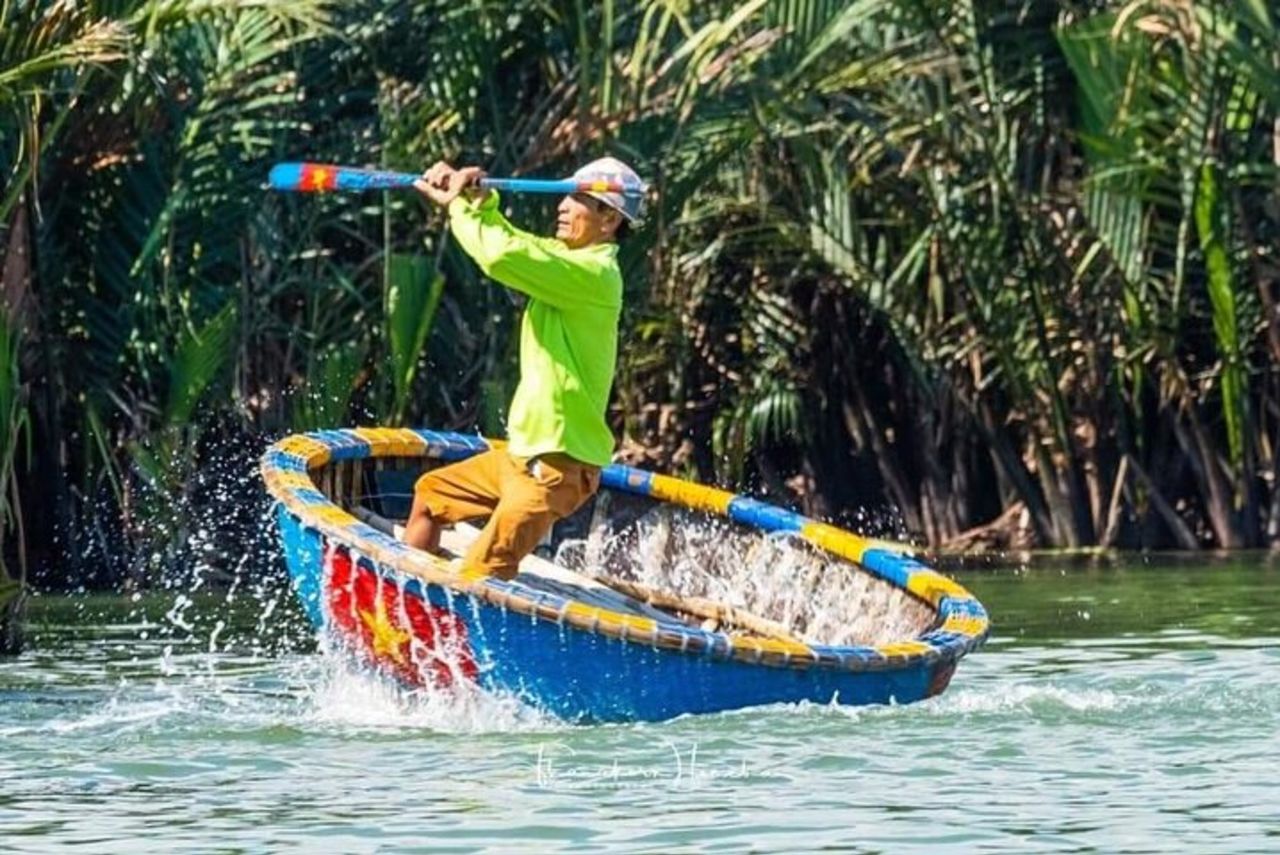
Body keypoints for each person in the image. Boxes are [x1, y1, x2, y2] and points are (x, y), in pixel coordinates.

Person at [404, 157, 644, 580]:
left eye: (577, 198)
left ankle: (463, 635)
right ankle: (404, 611)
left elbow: (500, 257)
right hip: (520, 457)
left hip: (554, 471)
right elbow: (514, 241)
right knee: (429, 497)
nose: (562, 207)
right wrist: (482, 202)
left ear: (609, 219)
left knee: (481, 576)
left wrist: (459, 204)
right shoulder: (565, 258)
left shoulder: (594, 274)